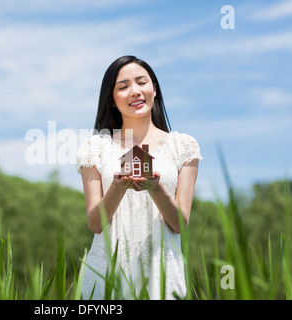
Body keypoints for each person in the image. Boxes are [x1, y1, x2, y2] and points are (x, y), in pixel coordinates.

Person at [76, 55, 202, 299]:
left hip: (161, 272)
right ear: (112, 101)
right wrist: (118, 186)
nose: (134, 91)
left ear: (154, 90)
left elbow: (180, 224)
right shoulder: (95, 147)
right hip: (107, 272)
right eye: (123, 87)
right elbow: (95, 223)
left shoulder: (183, 146)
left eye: (142, 82)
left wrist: (155, 188)